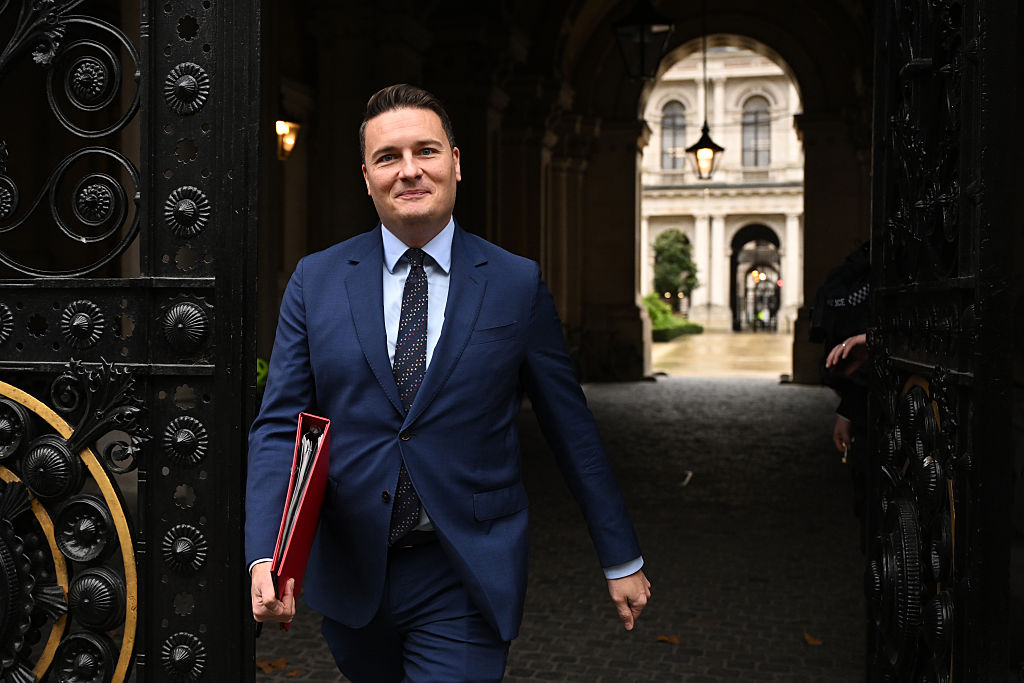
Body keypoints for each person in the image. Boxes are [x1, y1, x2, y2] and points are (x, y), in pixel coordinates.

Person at [245, 84, 650, 682]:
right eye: (388, 157)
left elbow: (571, 428)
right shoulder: (316, 280)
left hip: (465, 568)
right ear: (366, 175)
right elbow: (281, 427)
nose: (409, 171)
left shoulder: (515, 283)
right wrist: (267, 552)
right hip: (354, 570)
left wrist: (621, 557)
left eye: (426, 151)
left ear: (456, 162)